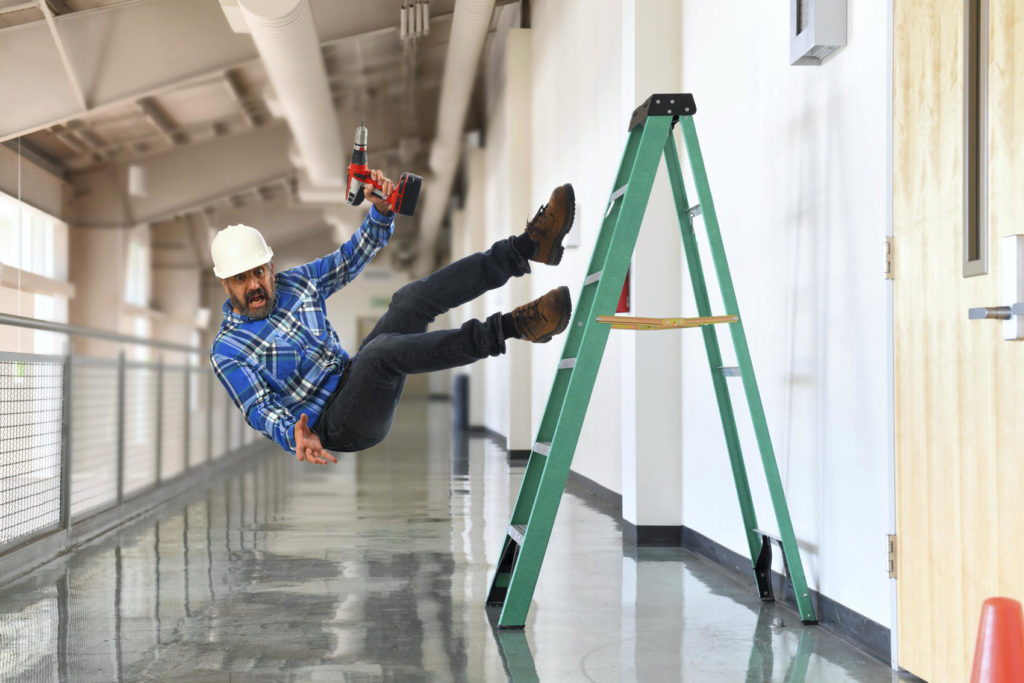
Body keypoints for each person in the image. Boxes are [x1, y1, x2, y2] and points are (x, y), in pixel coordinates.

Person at [210, 170, 575, 465]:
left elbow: (348, 260)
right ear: (226, 284)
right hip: (336, 425)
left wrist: (381, 212)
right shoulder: (228, 349)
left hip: (353, 379)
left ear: (271, 267)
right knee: (379, 353)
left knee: (410, 300)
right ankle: (513, 326)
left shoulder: (296, 283)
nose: (254, 285)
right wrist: (294, 433)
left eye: (258, 272)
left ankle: (527, 247)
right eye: (241, 279)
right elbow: (259, 407)